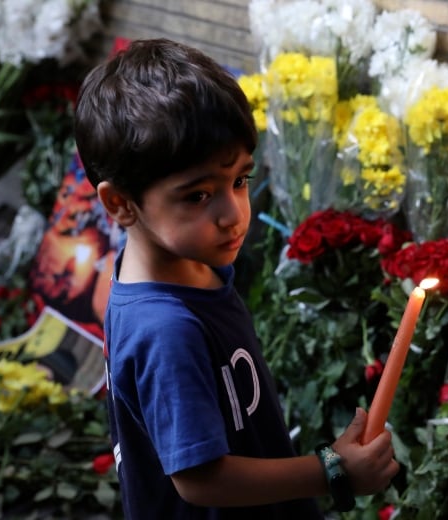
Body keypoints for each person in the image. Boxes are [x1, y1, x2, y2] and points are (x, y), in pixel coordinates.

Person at [74, 38, 399, 519]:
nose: (234, 214)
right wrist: (331, 468)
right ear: (120, 203)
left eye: (240, 180)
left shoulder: (188, 265)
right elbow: (200, 478)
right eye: (199, 195)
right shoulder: (166, 328)